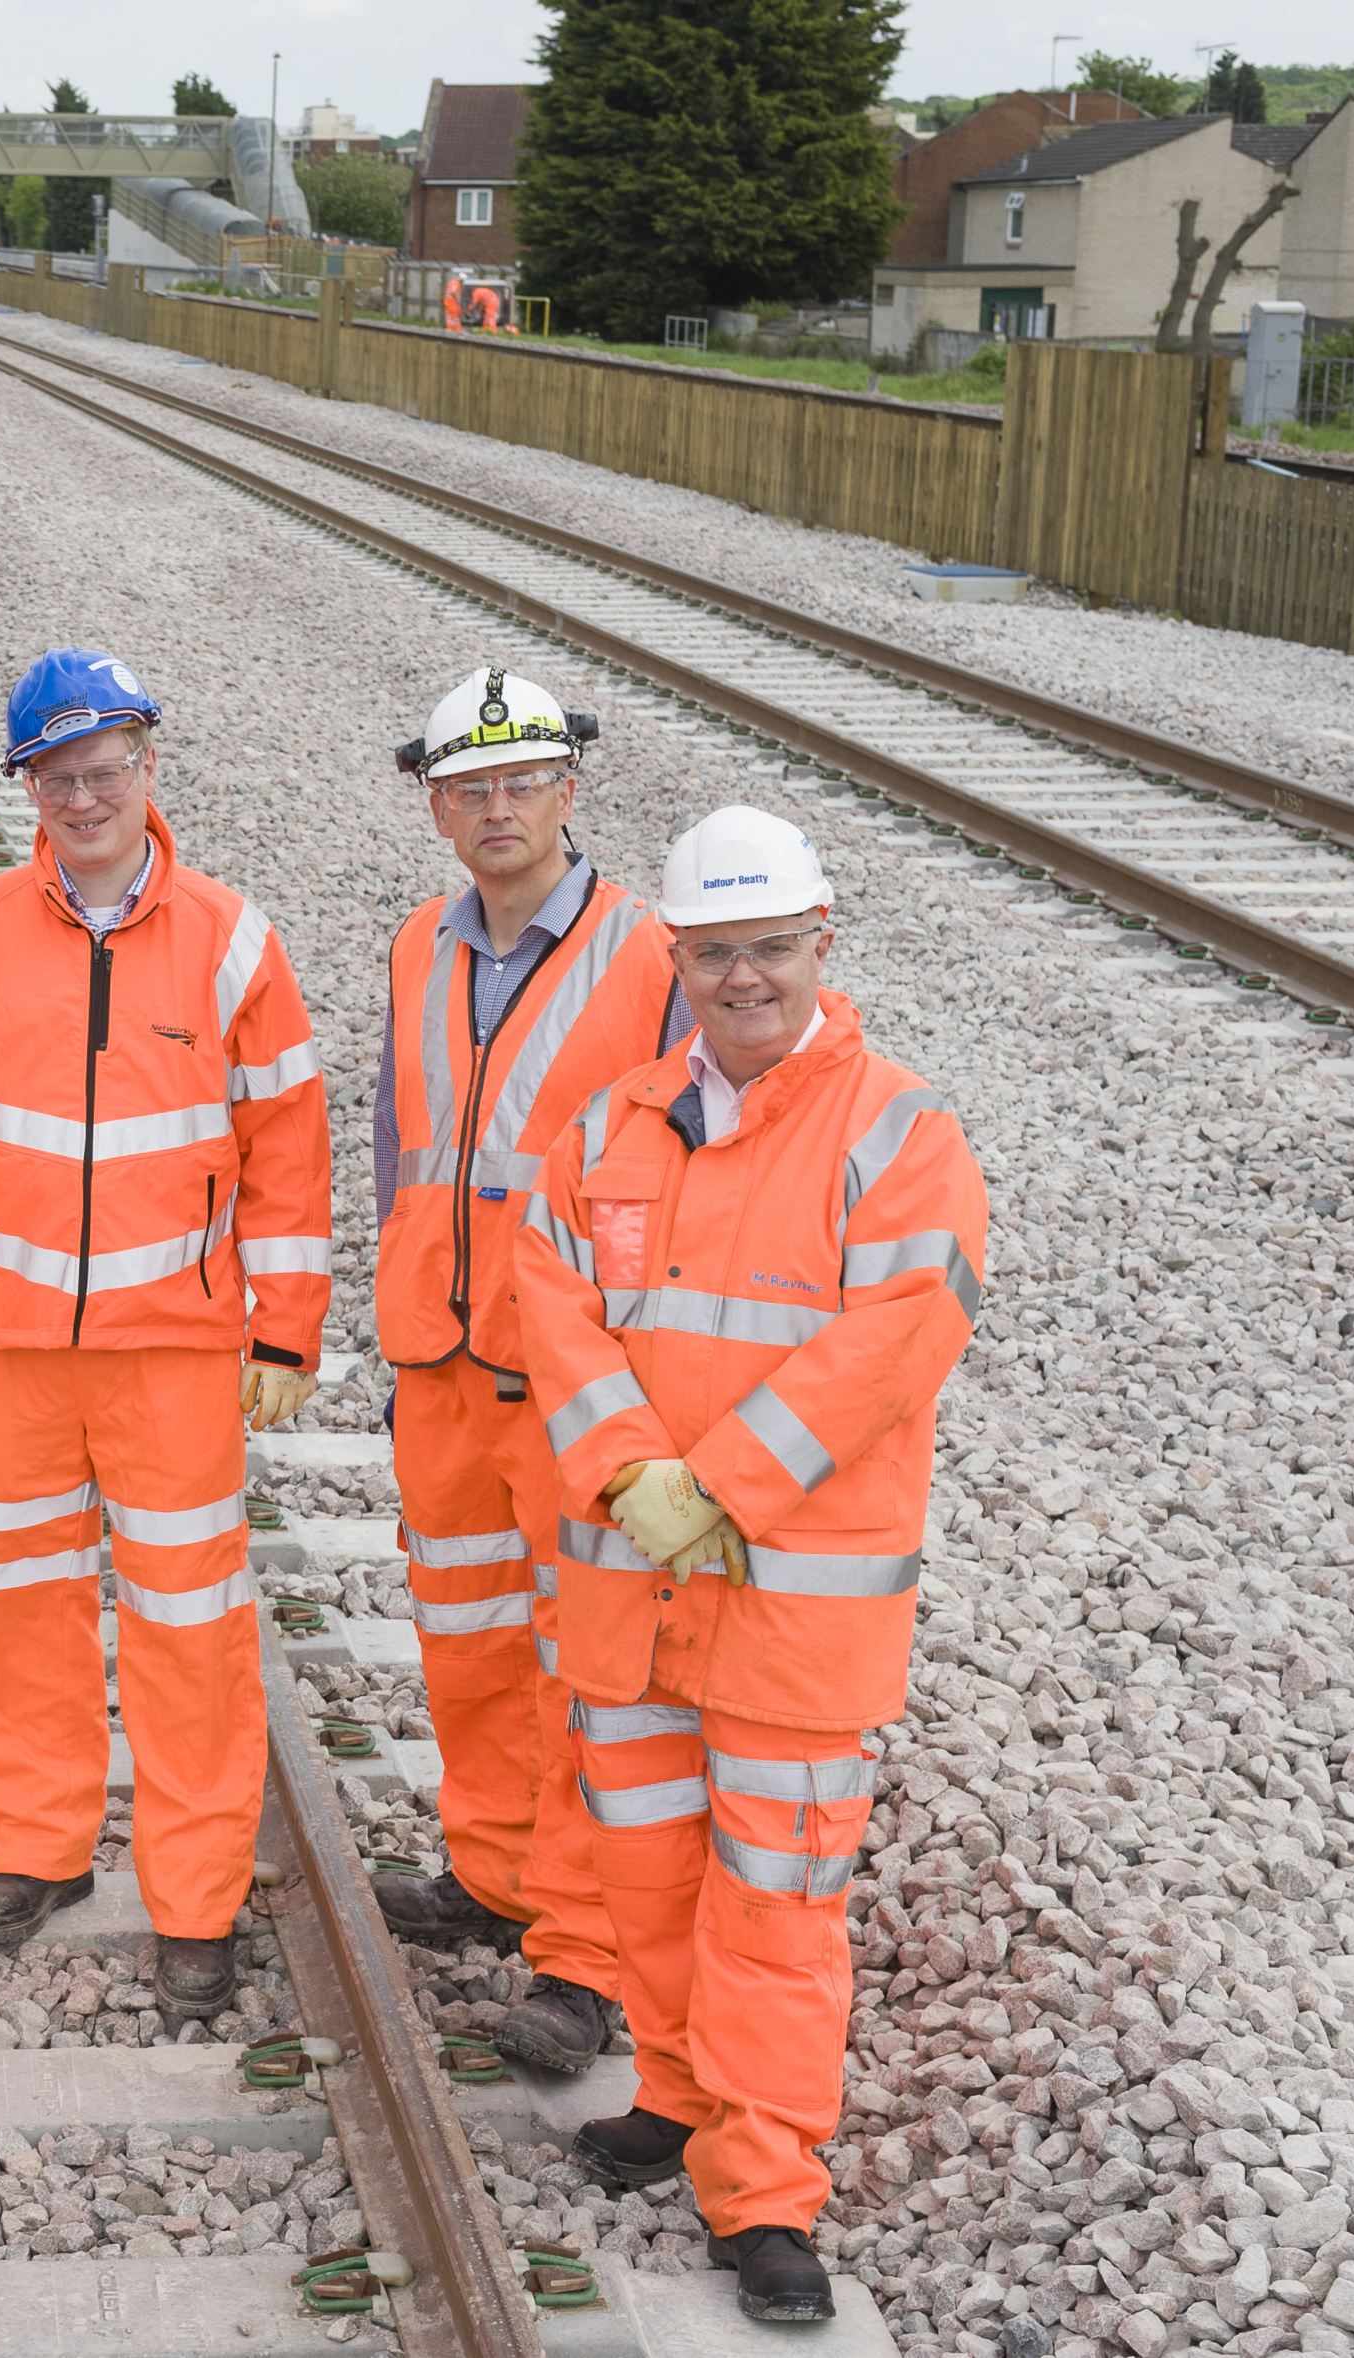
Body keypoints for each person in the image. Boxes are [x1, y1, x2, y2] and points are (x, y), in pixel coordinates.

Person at [514, 805, 986, 2323]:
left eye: (768, 947)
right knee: (645, 1871)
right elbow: (553, 1302)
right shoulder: (605, 1130)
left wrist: (711, 1484)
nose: (741, 979)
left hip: (787, 1617)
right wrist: (632, 1475)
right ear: (675, 958)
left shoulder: (896, 1131)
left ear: (819, 943)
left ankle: (763, 2188)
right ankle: (673, 2096)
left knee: (775, 1906)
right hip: (633, 1602)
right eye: (713, 953)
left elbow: (897, 1334)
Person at [0, 648, 332, 2022]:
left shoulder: (232, 941)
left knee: (186, 1628)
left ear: (147, 769)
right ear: (26, 790)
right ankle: (36, 1845)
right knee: (13, 1612)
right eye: (56, 776)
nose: (83, 795)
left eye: (104, 767)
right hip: (1, 1346)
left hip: (171, 1351)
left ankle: (193, 1899)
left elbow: (285, 1150)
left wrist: (282, 1334)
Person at [372, 667, 687, 2077]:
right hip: (440, 1362)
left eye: (520, 782)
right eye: (466, 787)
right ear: (436, 807)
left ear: (568, 790)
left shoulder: (652, 956)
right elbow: (406, 1146)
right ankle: (490, 1874)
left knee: (589, 1672)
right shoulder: (416, 947)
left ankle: (580, 1951)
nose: (494, 808)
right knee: (471, 1642)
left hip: (572, 1381)